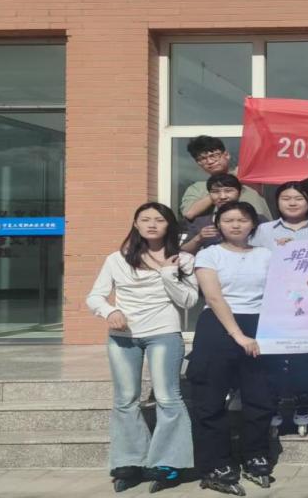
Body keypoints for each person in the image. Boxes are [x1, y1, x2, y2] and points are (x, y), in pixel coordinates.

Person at [85, 202, 198, 493]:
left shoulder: (183, 259)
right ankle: (129, 462)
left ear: (169, 225)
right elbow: (95, 297)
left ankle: (169, 463)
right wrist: (110, 311)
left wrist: (168, 274)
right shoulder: (117, 259)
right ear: (136, 224)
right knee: (125, 399)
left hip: (164, 334)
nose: (151, 224)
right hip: (123, 337)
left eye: (158, 220)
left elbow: (188, 301)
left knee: (168, 398)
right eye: (145, 219)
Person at [187, 201, 275, 495]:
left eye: (242, 219)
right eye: (228, 220)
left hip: (260, 324)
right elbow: (213, 297)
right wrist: (238, 335)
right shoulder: (209, 254)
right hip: (218, 325)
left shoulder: (267, 254)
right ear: (218, 225)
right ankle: (216, 464)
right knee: (210, 398)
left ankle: (255, 456)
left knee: (260, 396)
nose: (236, 225)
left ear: (253, 224)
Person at [250, 181, 308, 437]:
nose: (291, 202)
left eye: (298, 198)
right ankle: (273, 401)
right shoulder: (263, 231)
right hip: (273, 301)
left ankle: (305, 400)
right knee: (272, 353)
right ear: (277, 202)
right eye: (285, 198)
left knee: (306, 353)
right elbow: (253, 261)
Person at [179, 135, 271, 222]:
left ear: (226, 155)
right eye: (203, 158)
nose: (210, 161)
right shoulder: (197, 188)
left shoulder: (247, 176)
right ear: (198, 163)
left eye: (214, 156)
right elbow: (189, 213)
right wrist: (217, 191)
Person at [181, 174, 270, 255]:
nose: (222, 196)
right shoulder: (201, 222)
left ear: (239, 193)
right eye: (215, 192)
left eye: (228, 191)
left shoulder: (258, 219)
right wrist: (198, 238)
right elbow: (184, 252)